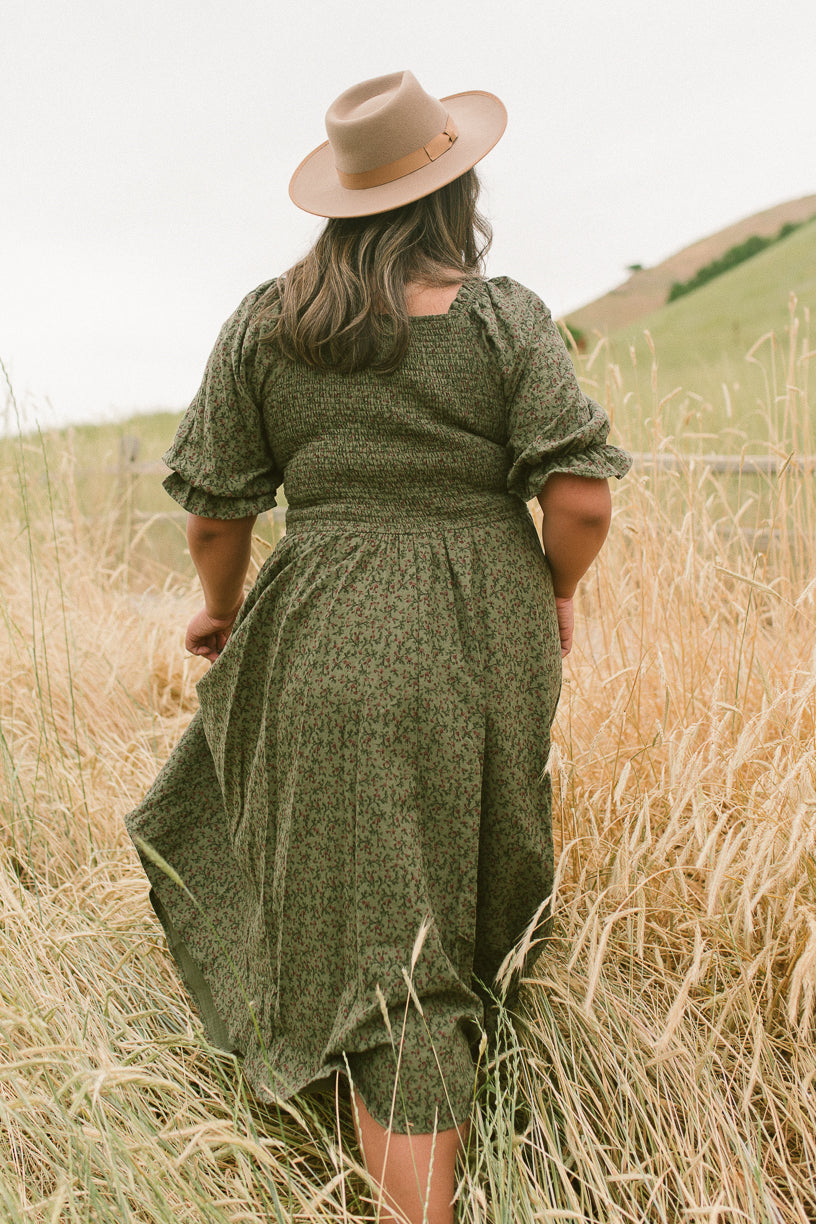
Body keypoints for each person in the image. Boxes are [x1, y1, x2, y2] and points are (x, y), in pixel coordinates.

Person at [125, 69, 631, 1224]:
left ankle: (373, 1124)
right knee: (433, 921)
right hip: (483, 635)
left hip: (318, 628)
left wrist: (220, 603)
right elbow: (584, 500)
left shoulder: (269, 321)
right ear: (456, 194)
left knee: (363, 916)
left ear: (341, 203)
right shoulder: (506, 320)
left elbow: (216, 511)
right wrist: (550, 591)